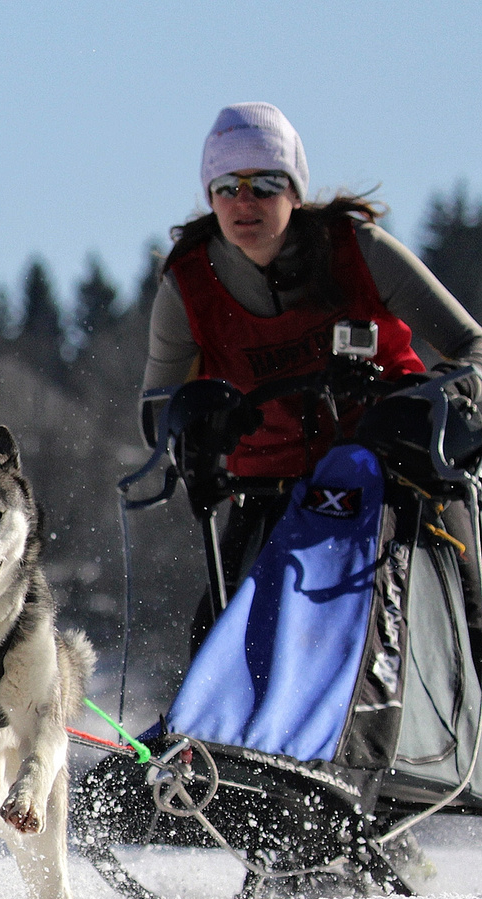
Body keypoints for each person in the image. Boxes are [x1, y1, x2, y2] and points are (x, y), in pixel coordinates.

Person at [144, 102, 482, 644]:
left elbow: (473, 345)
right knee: (210, 640)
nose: (244, 201)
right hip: (266, 494)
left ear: (296, 191)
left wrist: (432, 406)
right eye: (227, 186)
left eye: (265, 183)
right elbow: (157, 411)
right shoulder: (187, 287)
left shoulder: (358, 251)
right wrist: (196, 431)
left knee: (472, 621)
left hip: (394, 477)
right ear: (209, 197)